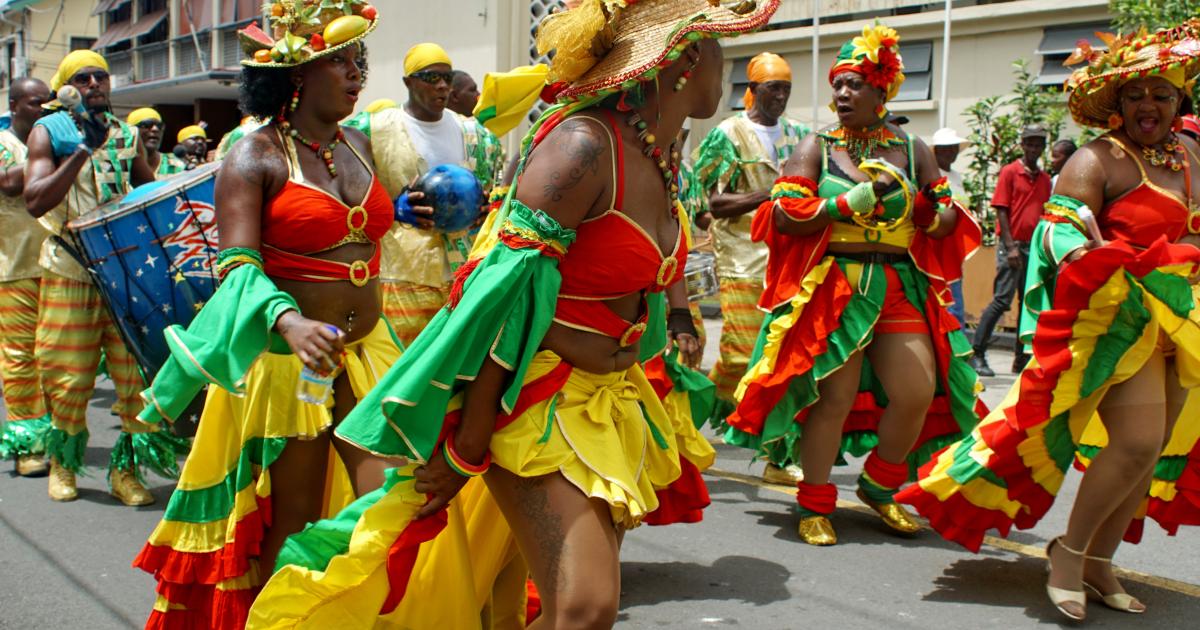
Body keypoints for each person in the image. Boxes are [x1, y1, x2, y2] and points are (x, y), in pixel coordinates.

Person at [246, 1, 781, 626]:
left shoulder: (660, 157)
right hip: (536, 403)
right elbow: (501, 294)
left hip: (609, 405)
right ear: (686, 60)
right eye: (721, 48)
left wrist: (677, 330)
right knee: (585, 608)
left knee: (560, 607)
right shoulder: (584, 145)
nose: (730, 66)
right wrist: (467, 447)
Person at [899, 22, 1200, 621]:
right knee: (1136, 442)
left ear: (1180, 103)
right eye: (1137, 92)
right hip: (1121, 322)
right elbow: (1059, 227)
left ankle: (1100, 561)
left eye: (1162, 94)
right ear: (1117, 101)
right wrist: (1085, 251)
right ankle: (1068, 554)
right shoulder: (1098, 160)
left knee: (1154, 452)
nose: (1150, 104)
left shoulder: (1191, 154)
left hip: (1183, 321)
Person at [130, 5, 417, 627]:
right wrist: (289, 322)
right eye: (339, 61)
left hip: (371, 348)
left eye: (357, 60)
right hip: (290, 365)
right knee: (295, 520)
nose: (355, 72)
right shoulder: (251, 155)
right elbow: (235, 265)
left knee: (393, 500)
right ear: (296, 75)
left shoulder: (359, 143)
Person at [723, 22, 985, 546]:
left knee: (916, 391)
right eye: (838, 84)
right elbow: (782, 215)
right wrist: (843, 205)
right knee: (833, 397)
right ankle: (816, 502)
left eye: (854, 84)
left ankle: (879, 485)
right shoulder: (815, 146)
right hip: (836, 283)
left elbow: (948, 217)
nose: (841, 94)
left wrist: (930, 210)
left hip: (897, 282)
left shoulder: (913, 149)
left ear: (882, 90)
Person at [22, 50, 186, 505]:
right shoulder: (47, 130)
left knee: (135, 377)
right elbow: (35, 199)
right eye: (84, 77)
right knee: (68, 378)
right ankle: (64, 464)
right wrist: (81, 151)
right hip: (68, 270)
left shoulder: (127, 134)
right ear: (66, 88)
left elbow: (147, 192)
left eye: (101, 76)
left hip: (124, 275)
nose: (96, 83)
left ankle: (126, 472)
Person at [693, 50, 810, 485]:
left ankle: (776, 453)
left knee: (781, 361)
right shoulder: (728, 133)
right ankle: (698, 408)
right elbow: (710, 202)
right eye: (773, 88)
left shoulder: (800, 135)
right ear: (754, 89)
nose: (780, 96)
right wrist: (769, 195)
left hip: (790, 264)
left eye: (786, 89)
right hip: (742, 259)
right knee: (740, 357)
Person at [343, 43, 504, 346]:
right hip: (400, 274)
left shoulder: (477, 135)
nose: (442, 85)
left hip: (464, 274)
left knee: (453, 369)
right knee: (404, 365)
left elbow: (497, 193)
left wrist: (487, 207)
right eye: (430, 77)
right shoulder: (371, 129)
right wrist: (391, 209)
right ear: (408, 82)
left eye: (447, 77)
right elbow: (346, 199)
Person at [969, 124, 1050, 376]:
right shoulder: (1010, 172)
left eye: (1038, 144)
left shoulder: (1045, 179)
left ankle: (1020, 359)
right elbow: (1001, 209)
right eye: (1030, 143)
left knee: (1028, 303)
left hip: (1034, 249)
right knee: (1002, 300)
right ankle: (978, 353)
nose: (1034, 148)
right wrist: (1010, 245)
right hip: (1012, 246)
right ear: (1022, 145)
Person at [0, 77, 51, 477]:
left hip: (57, 267)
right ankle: (27, 445)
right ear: (14, 105)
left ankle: (55, 438)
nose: (45, 109)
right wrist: (53, 152)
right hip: (14, 270)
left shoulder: (52, 140)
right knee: (20, 361)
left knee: (55, 361)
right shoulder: (3, 145)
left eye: (49, 102)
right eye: (37, 103)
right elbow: (11, 183)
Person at [931, 127, 971, 329]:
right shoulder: (931, 175)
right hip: (936, 247)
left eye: (954, 147)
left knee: (954, 301)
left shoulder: (956, 177)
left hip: (955, 247)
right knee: (946, 301)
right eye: (946, 148)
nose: (950, 152)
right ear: (936, 150)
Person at [126, 107, 187, 178]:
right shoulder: (121, 165)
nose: (155, 129)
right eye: (147, 125)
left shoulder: (176, 165)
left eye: (159, 126)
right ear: (132, 131)